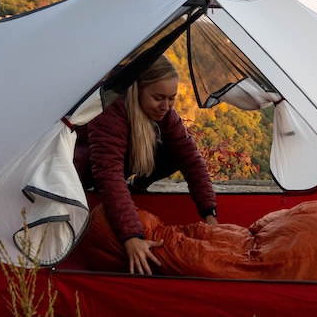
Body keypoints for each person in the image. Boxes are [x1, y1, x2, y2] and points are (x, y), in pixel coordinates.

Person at [73, 55, 218, 275]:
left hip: (122, 160)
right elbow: (108, 172)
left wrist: (210, 214)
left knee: (174, 150)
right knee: (94, 170)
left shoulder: (165, 111)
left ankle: (139, 186)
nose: (166, 106)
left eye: (172, 98)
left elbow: (189, 155)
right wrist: (131, 237)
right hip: (85, 168)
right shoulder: (110, 106)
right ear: (136, 90)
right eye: (159, 98)